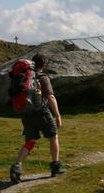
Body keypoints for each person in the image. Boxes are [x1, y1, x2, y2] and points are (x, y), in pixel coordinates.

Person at [10, 53, 65, 183]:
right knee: (53, 137)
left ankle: (17, 167)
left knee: (30, 141)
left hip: (27, 113)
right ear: (44, 65)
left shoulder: (24, 77)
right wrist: (57, 115)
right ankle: (55, 166)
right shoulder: (42, 77)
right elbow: (50, 97)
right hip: (42, 113)